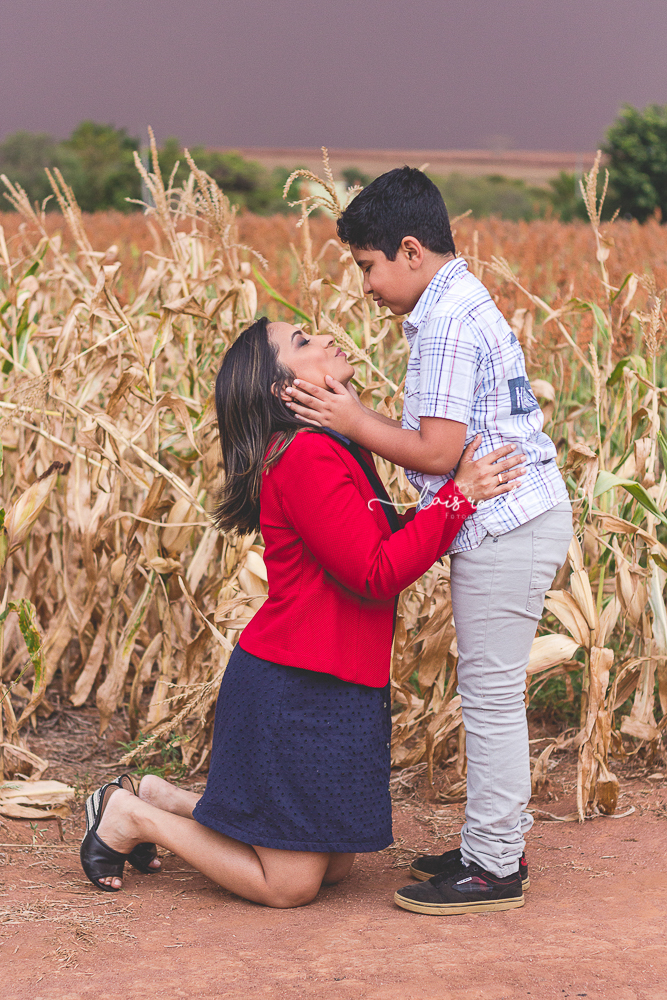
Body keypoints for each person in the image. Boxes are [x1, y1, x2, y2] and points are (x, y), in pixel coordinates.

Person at [79, 316, 525, 909]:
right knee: (290, 885)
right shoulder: (303, 456)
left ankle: (165, 798)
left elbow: (383, 546)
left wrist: (372, 429)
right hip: (295, 689)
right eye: (301, 343)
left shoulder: (331, 445)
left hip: (339, 685)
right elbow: (375, 572)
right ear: (282, 389)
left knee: (333, 863)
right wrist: (459, 496)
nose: (324, 338)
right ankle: (134, 817)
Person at [283, 167, 573, 915]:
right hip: (516, 519)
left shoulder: (443, 322)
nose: (366, 286)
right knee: (488, 693)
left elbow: (440, 452)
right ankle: (488, 844)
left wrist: (350, 420)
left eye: (367, 266)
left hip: (505, 525)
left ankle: (493, 867)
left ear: (410, 250)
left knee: (488, 698)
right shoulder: (456, 301)